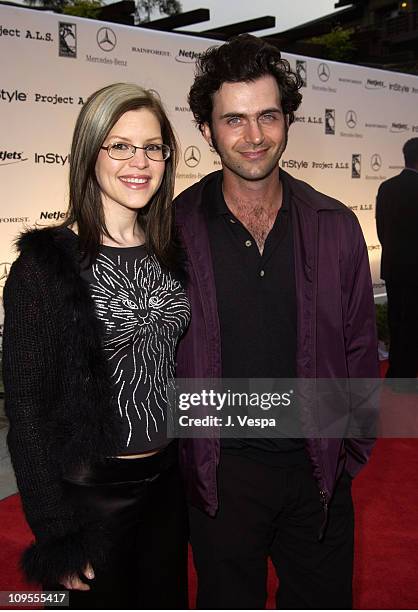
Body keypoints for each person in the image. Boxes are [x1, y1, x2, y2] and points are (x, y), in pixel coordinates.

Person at [174, 35, 379, 609]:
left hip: (316, 477)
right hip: (221, 480)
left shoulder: (334, 224)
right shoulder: (175, 230)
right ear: (207, 129)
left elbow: (361, 347)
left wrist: (346, 456)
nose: (254, 135)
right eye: (233, 119)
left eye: (267, 115)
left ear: (288, 119)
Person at [2, 83, 190, 610]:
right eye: (120, 145)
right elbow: (27, 412)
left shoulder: (173, 255)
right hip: (89, 497)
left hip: (168, 487)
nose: (140, 161)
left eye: (153, 147)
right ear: (90, 154)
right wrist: (55, 529)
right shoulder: (45, 266)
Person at [376, 138, 418, 383]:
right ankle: (407, 374)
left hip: (393, 267)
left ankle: (396, 371)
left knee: (396, 319)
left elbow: (381, 230)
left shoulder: (386, 187)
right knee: (413, 322)